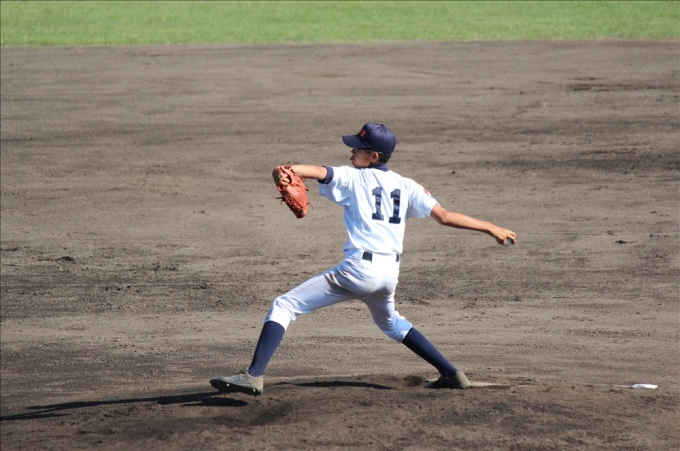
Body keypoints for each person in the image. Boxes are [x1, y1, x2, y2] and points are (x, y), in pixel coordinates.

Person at [210, 123, 516, 396]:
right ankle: (451, 374)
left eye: (358, 148)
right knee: (392, 323)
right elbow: (445, 216)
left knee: (285, 305)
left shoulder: (352, 177)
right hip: (389, 274)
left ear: (374, 156)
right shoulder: (408, 185)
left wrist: (284, 169)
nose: (352, 151)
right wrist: (491, 227)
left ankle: (253, 375)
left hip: (358, 271)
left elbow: (317, 171)